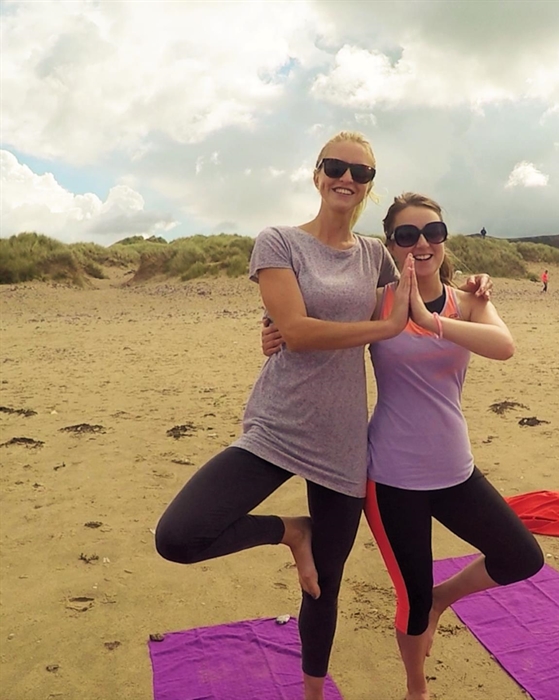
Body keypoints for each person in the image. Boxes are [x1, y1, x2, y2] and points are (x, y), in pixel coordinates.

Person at [154, 131, 490, 700]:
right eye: (336, 166)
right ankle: (292, 532)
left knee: (323, 589)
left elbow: (418, 294)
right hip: (276, 426)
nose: (347, 178)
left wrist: (474, 288)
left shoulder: (376, 256)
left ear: (368, 186)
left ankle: (312, 693)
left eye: (360, 172)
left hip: (342, 443)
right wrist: (286, 331)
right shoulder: (279, 242)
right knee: (179, 535)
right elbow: (300, 331)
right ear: (316, 174)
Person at [265, 192, 543, 700]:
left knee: (522, 556)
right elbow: (313, 324)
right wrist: (273, 333)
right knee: (410, 601)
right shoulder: (378, 303)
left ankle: (445, 598)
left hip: (457, 470)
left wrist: (429, 317)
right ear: (391, 245)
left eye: (432, 233)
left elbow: (504, 347)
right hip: (392, 477)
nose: (421, 243)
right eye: (407, 235)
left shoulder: (471, 300)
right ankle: (417, 690)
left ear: (444, 240)